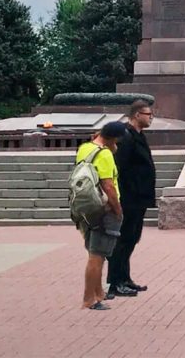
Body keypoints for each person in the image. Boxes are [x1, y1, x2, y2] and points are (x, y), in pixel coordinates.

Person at [106, 101, 156, 299]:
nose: (151, 118)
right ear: (137, 115)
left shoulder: (139, 136)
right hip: (129, 198)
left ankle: (125, 278)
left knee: (132, 238)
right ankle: (115, 283)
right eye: (148, 114)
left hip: (139, 198)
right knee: (123, 239)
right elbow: (120, 168)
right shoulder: (126, 137)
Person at [76, 121, 126, 310]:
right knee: (97, 256)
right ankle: (89, 299)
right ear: (114, 138)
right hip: (104, 209)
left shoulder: (85, 148)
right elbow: (108, 185)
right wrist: (117, 209)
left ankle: (98, 293)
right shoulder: (104, 154)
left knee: (95, 252)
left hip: (86, 208)